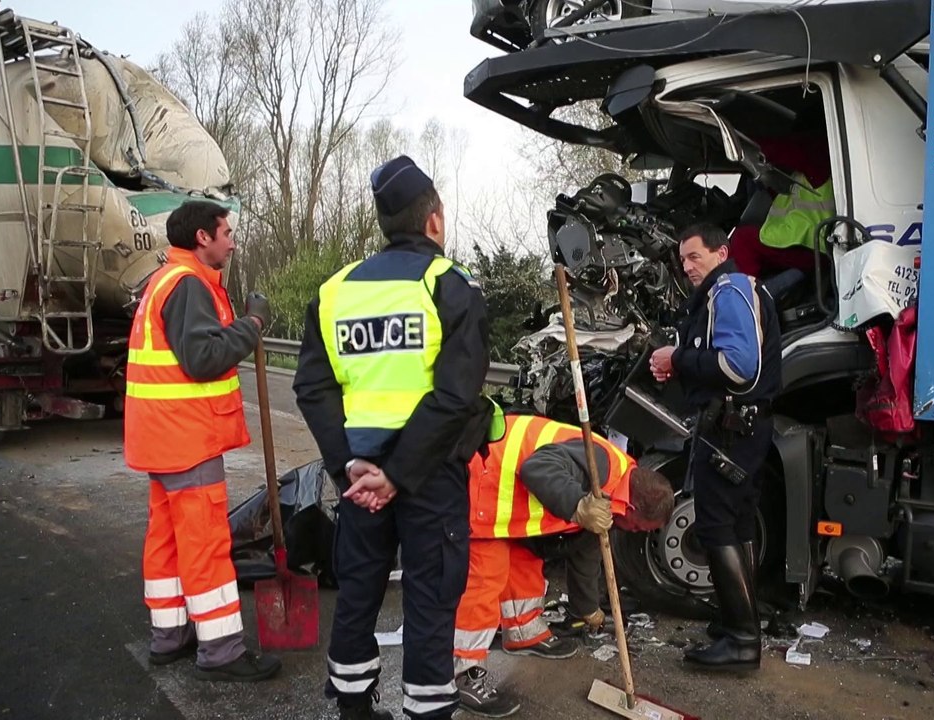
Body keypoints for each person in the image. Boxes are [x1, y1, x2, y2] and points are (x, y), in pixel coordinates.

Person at [293, 155, 501, 720]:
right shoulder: (449, 286)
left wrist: (351, 470)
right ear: (433, 221)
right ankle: (428, 712)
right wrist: (399, 474)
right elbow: (455, 397)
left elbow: (312, 388)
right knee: (431, 599)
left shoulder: (334, 292)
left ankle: (354, 709)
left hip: (361, 477)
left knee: (358, 590)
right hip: (428, 477)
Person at [125, 200, 281, 682]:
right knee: (205, 543)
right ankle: (221, 651)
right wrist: (252, 325)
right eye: (226, 232)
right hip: (185, 435)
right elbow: (203, 358)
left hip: (161, 436)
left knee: (167, 540)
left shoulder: (164, 280)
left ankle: (169, 637)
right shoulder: (188, 284)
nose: (232, 241)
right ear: (202, 238)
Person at [452, 414, 676, 717]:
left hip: (508, 508)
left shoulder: (618, 489)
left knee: (526, 564)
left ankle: (523, 632)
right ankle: (462, 675)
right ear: (634, 508)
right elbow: (537, 468)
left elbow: (586, 554)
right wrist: (578, 505)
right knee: (485, 581)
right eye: (638, 527)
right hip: (481, 483)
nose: (633, 532)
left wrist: (588, 609)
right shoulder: (600, 466)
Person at [648, 222, 782, 672]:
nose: (687, 266)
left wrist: (677, 358)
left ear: (720, 253)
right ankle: (738, 622)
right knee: (739, 522)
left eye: (694, 256)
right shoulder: (727, 291)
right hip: (742, 428)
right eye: (682, 259)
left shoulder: (727, 289)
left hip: (729, 430)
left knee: (715, 525)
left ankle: (743, 642)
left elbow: (738, 366)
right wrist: (680, 364)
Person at [730, 134, 835, 280]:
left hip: (814, 247)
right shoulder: (805, 173)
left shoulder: (816, 161)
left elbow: (775, 150)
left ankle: (744, 297)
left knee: (743, 240)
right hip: (802, 243)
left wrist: (736, 142)